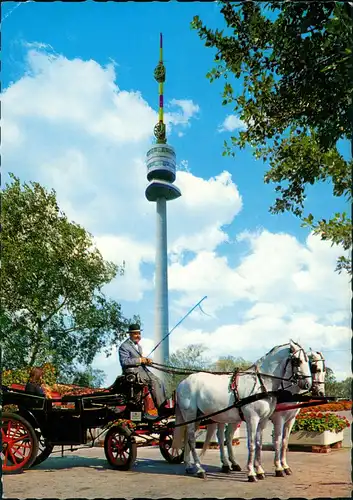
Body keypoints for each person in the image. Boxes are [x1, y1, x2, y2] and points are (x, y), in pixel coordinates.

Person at [118, 324, 171, 418]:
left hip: (142, 371)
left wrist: (146, 361)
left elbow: (139, 360)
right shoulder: (124, 346)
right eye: (135, 334)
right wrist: (140, 360)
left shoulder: (139, 347)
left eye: (139, 333)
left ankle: (163, 406)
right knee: (154, 382)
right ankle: (162, 410)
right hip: (133, 373)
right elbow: (124, 362)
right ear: (130, 334)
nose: (138, 336)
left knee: (159, 381)